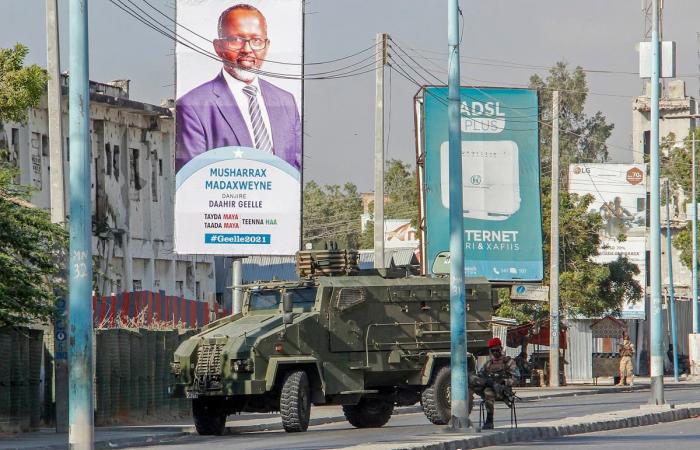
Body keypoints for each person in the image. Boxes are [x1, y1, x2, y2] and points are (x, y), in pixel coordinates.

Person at [175, 3, 301, 172]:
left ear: (267, 46)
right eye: (236, 40)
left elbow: (296, 171)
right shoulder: (193, 106)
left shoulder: (285, 101)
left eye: (256, 41)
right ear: (218, 47)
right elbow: (193, 179)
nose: (247, 49)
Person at [469, 337, 517, 430]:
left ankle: (489, 420)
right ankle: (463, 417)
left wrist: (505, 381)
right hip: (489, 388)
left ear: (501, 349)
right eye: (493, 351)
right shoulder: (488, 364)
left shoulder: (508, 362)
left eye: (497, 350)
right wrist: (483, 381)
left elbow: (516, 379)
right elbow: (480, 375)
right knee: (471, 383)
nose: (495, 352)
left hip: (503, 391)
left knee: (488, 392)